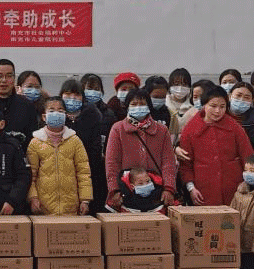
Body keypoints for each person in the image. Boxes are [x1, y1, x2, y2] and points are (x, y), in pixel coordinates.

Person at [177, 86, 254, 207]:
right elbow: (186, 164)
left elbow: (248, 156)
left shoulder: (234, 127)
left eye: (222, 106)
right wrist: (191, 188)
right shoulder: (190, 129)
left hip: (234, 188)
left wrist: (247, 181)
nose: (217, 111)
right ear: (204, 105)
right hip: (203, 190)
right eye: (213, 106)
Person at [104, 89, 177, 205]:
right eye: (134, 104)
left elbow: (168, 162)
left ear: (149, 106)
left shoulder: (162, 130)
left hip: (156, 191)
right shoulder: (117, 129)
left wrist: (169, 188)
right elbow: (112, 163)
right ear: (127, 107)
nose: (138, 107)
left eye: (142, 104)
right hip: (127, 191)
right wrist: (115, 190)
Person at [27, 97, 93, 216]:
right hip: (43, 208)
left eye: (60, 111)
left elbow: (83, 172)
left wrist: (85, 200)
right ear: (44, 117)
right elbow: (31, 175)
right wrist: (33, 198)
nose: (56, 113)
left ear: (65, 115)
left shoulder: (75, 141)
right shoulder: (35, 143)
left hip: (71, 207)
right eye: (52, 110)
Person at [61, 77, 108, 212]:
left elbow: (95, 150)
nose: (72, 98)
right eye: (68, 94)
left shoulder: (92, 117)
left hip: (89, 173)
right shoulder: (56, 117)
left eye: (77, 95)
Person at [228, 82, 254, 151]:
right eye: (238, 95)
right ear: (229, 96)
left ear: (252, 100)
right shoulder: (219, 115)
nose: (241, 99)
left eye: (246, 97)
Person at [166, 67, 194, 132]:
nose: (180, 88)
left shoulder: (193, 105)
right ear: (170, 85)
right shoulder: (164, 104)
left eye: (184, 84)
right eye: (176, 84)